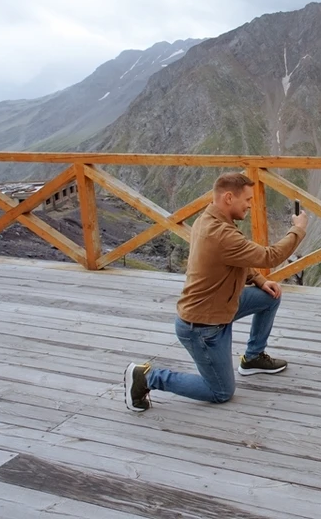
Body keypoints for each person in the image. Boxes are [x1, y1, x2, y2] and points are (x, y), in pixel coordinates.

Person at [124, 171, 308, 411]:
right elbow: (269, 256)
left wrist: (260, 281)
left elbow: (236, 258)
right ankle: (146, 378)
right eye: (248, 200)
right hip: (203, 327)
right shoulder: (221, 234)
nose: (250, 206)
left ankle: (253, 358)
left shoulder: (210, 219)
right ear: (229, 198)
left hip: (221, 305)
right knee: (220, 391)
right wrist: (299, 230)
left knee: (269, 296)